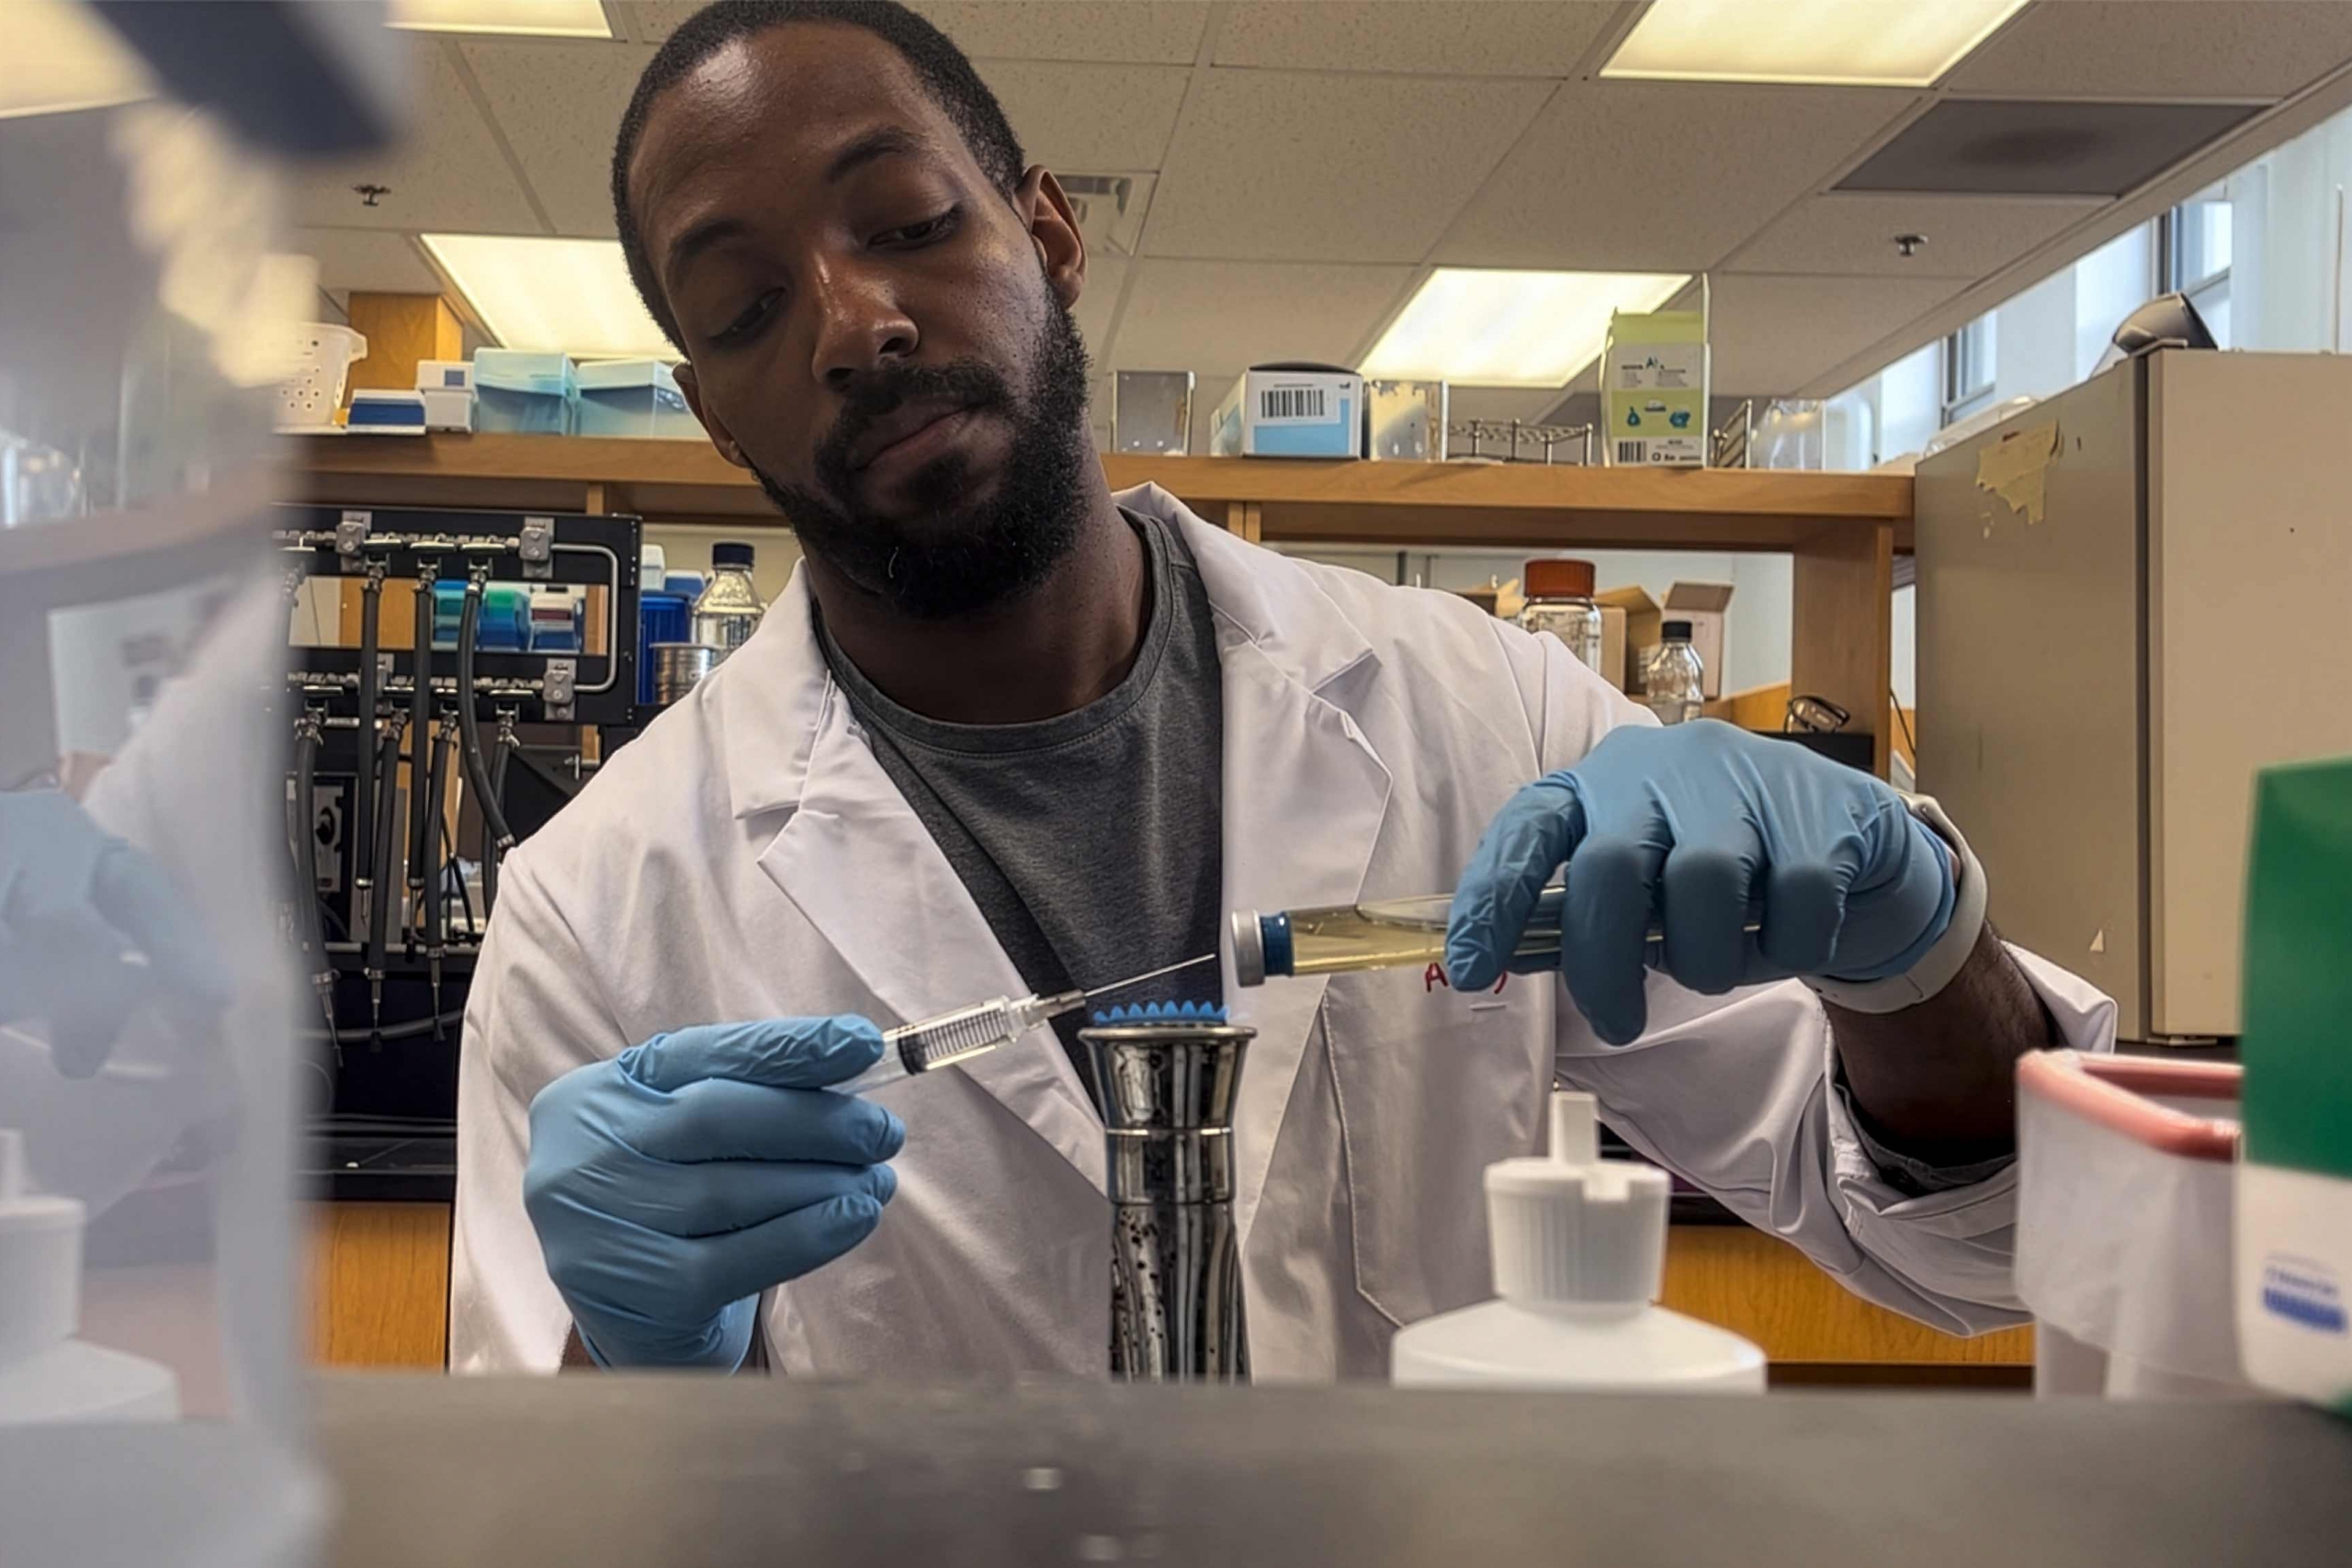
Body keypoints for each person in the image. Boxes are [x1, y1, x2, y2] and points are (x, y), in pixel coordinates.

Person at [452, 0, 2113, 1376]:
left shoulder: (1485, 720)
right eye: (748, 306)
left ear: (1047, 231)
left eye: (908, 225)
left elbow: (1985, 1240)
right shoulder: (601, 903)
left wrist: (1919, 960)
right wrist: (628, 1354)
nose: (854, 321)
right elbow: (531, 1514)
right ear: (714, 411)